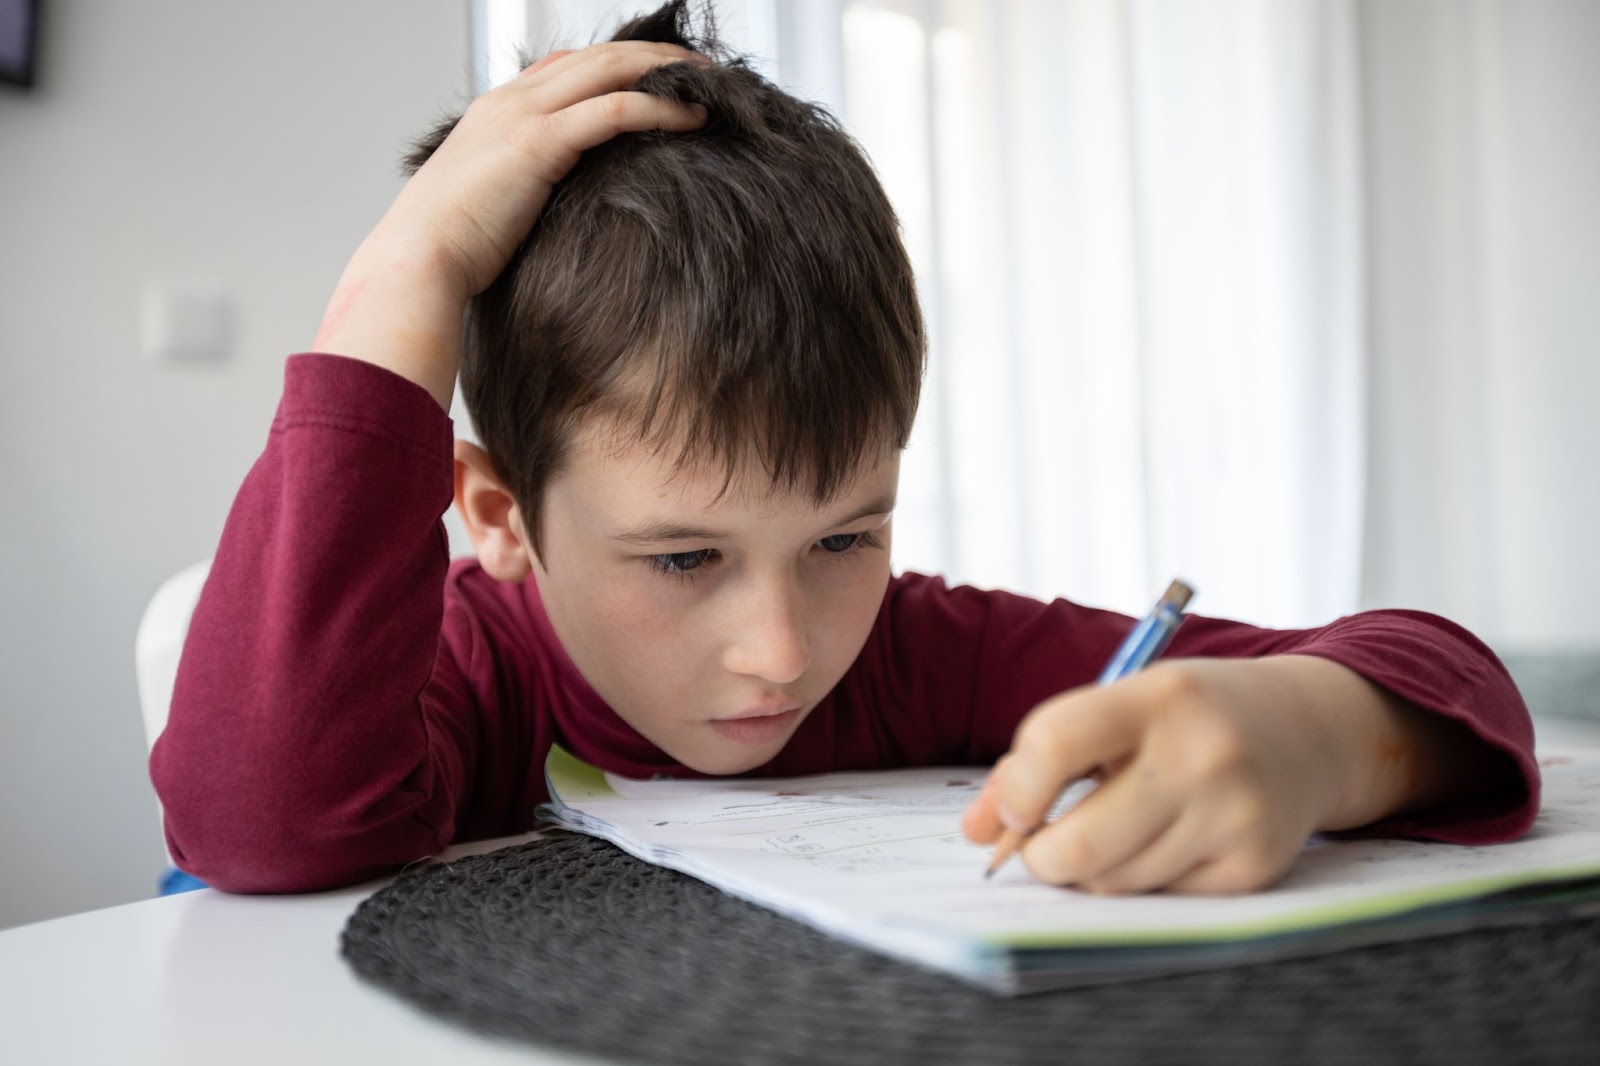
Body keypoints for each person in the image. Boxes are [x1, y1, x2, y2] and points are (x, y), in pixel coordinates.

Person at [150, 0, 1536, 897]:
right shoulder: (469, 667)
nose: (787, 647)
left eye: (844, 536)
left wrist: (1310, 732)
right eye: (685, 553)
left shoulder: (917, 654)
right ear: (500, 515)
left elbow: (1446, 670)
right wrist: (404, 276)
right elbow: (267, 822)